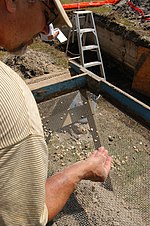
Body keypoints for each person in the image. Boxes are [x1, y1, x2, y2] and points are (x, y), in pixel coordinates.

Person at [0, 0, 112, 225]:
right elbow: (24, 220)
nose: (46, 30)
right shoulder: (12, 102)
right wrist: (79, 171)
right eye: (48, 15)